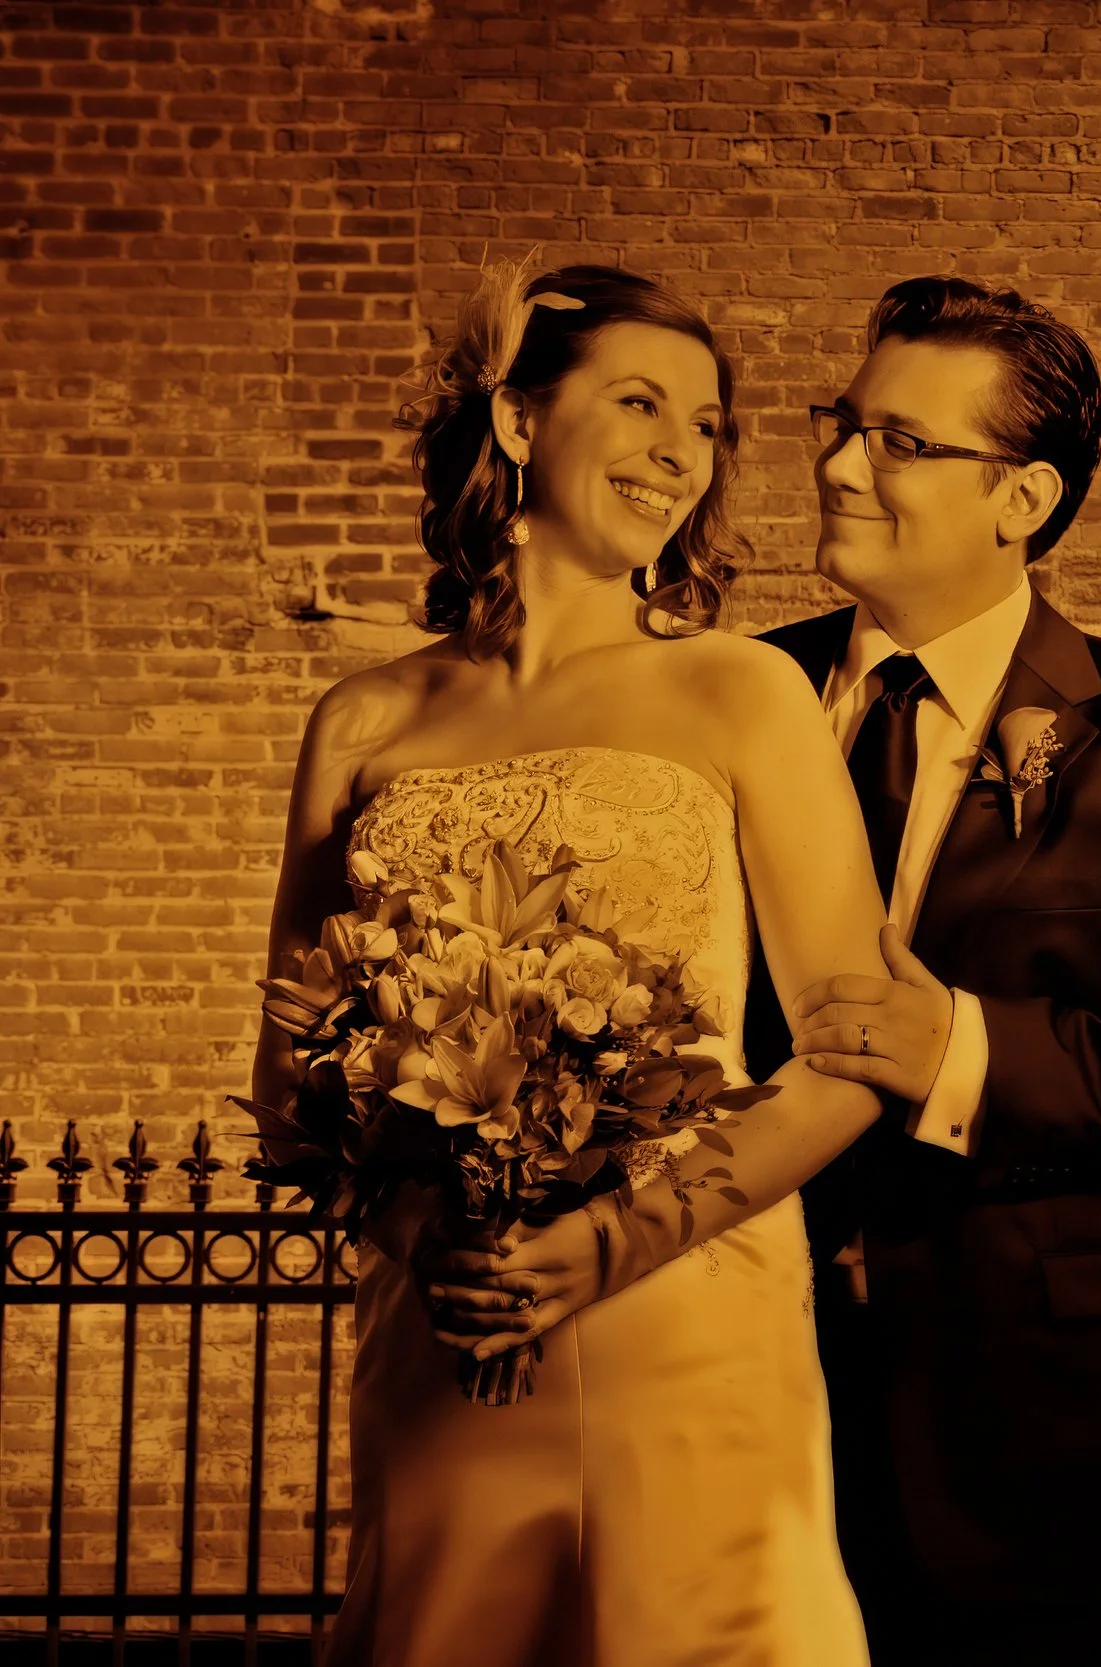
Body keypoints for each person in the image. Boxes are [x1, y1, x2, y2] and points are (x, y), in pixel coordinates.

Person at [444, 276, 1101, 1664]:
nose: (837, 462)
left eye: (900, 440)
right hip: (724, 1359)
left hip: (1026, 1400)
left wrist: (956, 1045)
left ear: (1021, 500)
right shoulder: (716, 686)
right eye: (843, 422)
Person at [259, 258, 888, 1666]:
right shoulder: (363, 718)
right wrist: (443, 1242)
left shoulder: (739, 688)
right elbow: (292, 1080)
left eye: (710, 424)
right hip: (452, 1324)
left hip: (685, 1297)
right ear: (519, 421)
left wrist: (601, 1244)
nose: (684, 451)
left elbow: (855, 1055)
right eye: (643, 402)